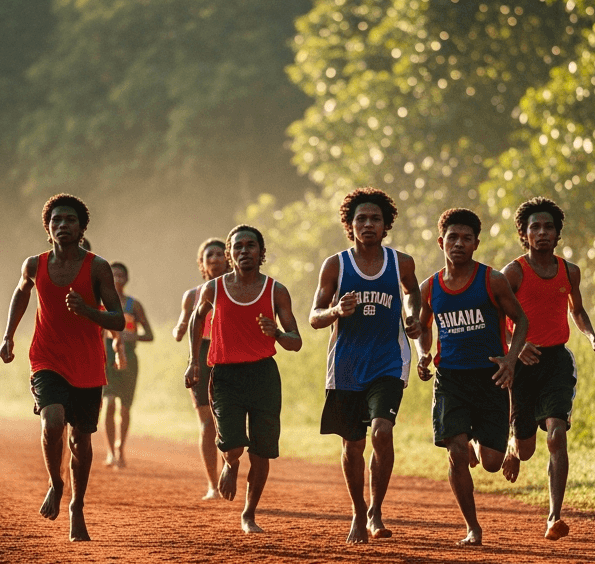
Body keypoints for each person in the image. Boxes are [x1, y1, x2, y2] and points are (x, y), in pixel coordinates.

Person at [0, 194, 126, 542]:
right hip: (47, 357)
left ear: (82, 228)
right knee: (52, 421)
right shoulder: (34, 265)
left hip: (87, 362)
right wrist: (8, 335)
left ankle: (77, 506)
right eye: (56, 221)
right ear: (47, 228)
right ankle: (56, 482)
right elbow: (21, 292)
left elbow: (118, 319)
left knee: (81, 440)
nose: (62, 226)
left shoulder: (97, 267)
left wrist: (88, 311)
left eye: (70, 220)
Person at [309, 188, 422, 545]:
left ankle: (376, 509)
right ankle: (358, 511)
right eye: (361, 219)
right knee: (352, 445)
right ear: (350, 225)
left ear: (387, 225)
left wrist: (413, 315)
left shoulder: (401, 262)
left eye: (375, 219)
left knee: (382, 432)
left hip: (389, 361)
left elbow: (412, 293)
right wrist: (336, 311)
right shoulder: (336, 265)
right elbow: (314, 317)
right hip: (345, 366)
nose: (368, 224)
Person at [501, 196, 595, 540]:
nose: (543, 232)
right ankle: (512, 445)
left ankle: (554, 516)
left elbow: (577, 310)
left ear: (558, 232)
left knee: (556, 435)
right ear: (524, 233)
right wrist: (516, 349)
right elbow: (499, 317)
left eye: (549, 226)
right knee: (527, 448)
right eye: (535, 226)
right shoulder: (514, 272)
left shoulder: (569, 271)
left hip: (556, 362)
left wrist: (593, 338)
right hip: (523, 362)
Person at [414, 209, 529, 546]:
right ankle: (472, 527)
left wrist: (510, 359)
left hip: (490, 377)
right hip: (450, 379)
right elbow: (423, 328)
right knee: (456, 450)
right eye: (453, 237)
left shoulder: (492, 280)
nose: (459, 244)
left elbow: (520, 321)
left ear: (477, 243)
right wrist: (423, 354)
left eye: (466, 238)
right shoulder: (430, 287)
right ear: (441, 242)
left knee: (491, 463)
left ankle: (490, 445)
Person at [184, 225, 302, 533]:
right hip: (225, 374)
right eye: (238, 247)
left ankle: (249, 514)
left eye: (251, 246)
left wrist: (275, 332)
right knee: (234, 446)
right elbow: (197, 319)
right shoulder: (214, 289)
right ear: (229, 255)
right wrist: (193, 363)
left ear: (262, 254)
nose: (244, 251)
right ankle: (231, 463)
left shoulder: (276, 291)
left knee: (262, 451)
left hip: (263, 374)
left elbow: (295, 340)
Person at [173, 238, 229, 499]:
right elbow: (182, 324)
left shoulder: (237, 290)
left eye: (220, 254)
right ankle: (212, 485)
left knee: (229, 421)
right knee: (207, 422)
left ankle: (230, 466)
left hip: (231, 353)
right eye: (210, 256)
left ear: (228, 259)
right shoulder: (192, 295)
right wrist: (180, 329)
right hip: (201, 354)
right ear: (202, 263)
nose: (215, 259)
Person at [102, 262, 154, 468]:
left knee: (124, 407)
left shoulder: (134, 306)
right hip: (106, 358)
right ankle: (109, 452)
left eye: (121, 276)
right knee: (109, 402)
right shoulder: (101, 305)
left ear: (127, 279)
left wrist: (133, 336)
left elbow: (150, 335)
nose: (117, 279)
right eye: (113, 275)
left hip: (130, 360)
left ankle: (120, 448)